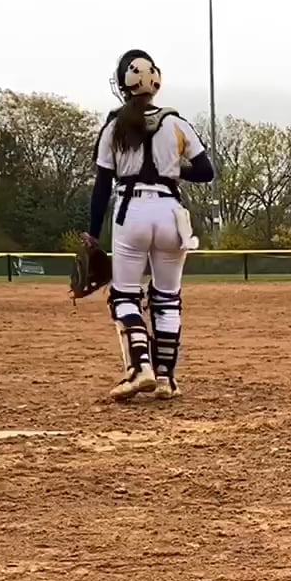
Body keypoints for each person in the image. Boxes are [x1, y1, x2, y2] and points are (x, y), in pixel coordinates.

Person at [85, 49, 215, 402]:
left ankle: (140, 367)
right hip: (171, 212)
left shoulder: (114, 126)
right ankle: (166, 379)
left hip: (132, 211)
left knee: (125, 294)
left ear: (122, 84)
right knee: (167, 297)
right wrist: (171, 168)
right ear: (156, 82)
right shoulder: (176, 122)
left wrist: (92, 232)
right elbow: (206, 171)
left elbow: (102, 186)